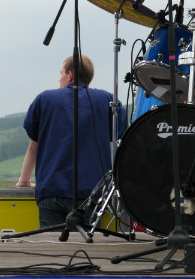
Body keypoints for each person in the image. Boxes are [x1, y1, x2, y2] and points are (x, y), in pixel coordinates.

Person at [16, 54, 127, 228]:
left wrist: (24, 182)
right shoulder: (108, 101)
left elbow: (33, 147)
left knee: (51, 244)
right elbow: (121, 140)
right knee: (87, 244)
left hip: (52, 192)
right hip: (91, 195)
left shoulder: (44, 99)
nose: (59, 78)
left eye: (61, 73)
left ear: (70, 75)